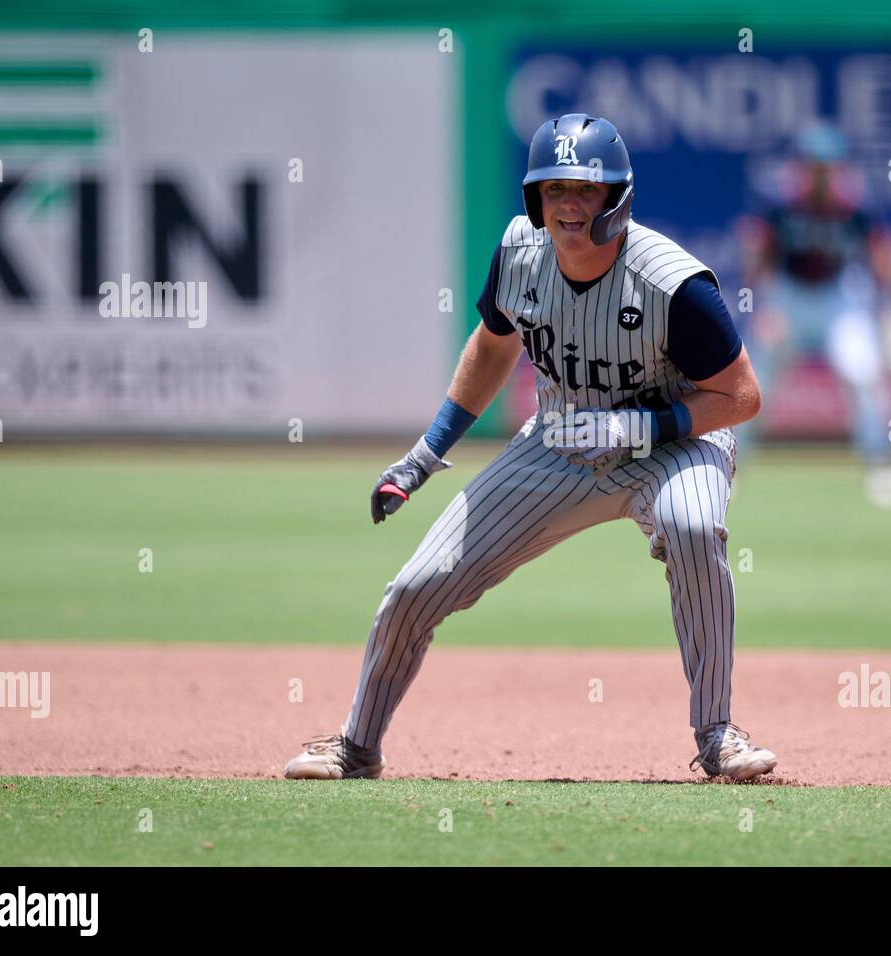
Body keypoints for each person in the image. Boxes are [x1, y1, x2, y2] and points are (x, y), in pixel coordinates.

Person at [283, 113, 778, 782]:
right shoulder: (520, 253)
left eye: (584, 189)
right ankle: (356, 746)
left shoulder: (673, 285)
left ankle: (718, 736)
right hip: (560, 441)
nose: (568, 205)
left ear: (617, 197)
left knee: (693, 524)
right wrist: (426, 453)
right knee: (418, 585)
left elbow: (742, 398)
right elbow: (492, 347)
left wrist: (642, 427)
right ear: (533, 199)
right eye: (553, 190)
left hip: (674, 443)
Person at [739, 123, 891, 509]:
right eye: (813, 165)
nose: (819, 172)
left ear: (837, 167)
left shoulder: (855, 204)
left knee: (862, 374)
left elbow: (883, 252)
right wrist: (765, 305)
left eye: (826, 166)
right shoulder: (779, 201)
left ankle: (880, 465)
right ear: (801, 166)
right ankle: (729, 467)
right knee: (753, 385)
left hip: (838, 297)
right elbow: (758, 252)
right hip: (789, 294)